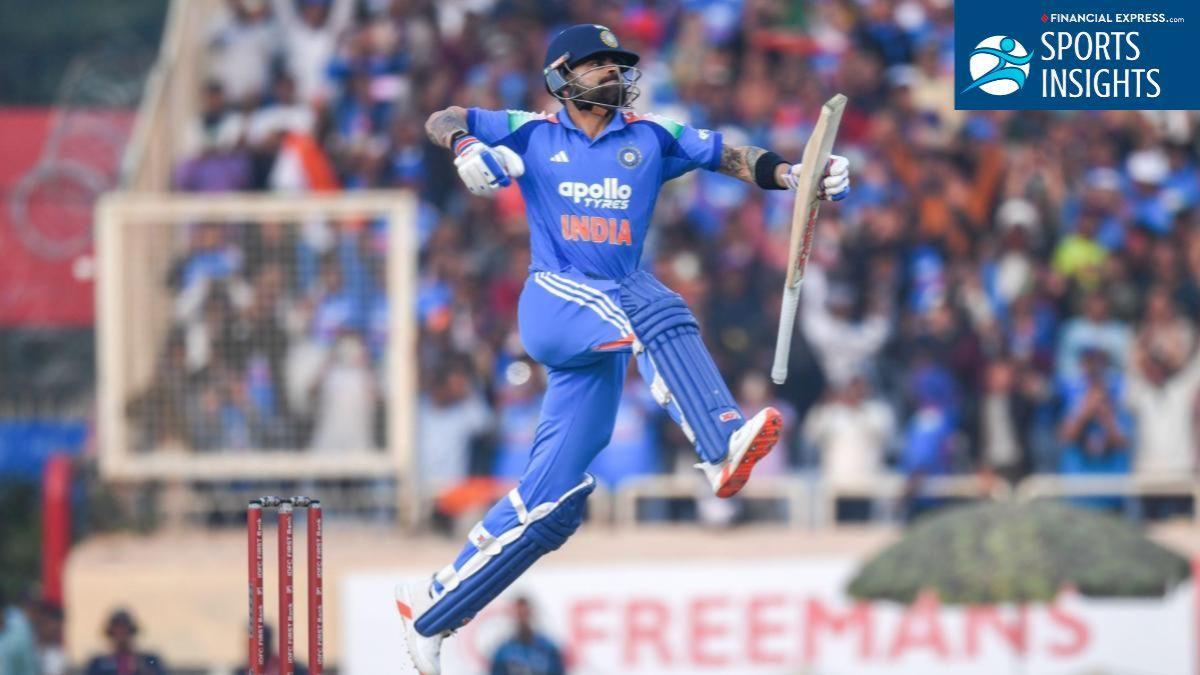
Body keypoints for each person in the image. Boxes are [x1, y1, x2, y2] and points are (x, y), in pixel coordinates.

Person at [394, 23, 851, 673]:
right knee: (650, 301)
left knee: (553, 505)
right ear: (561, 76)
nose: (612, 72)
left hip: (605, 331)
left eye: (617, 63)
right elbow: (444, 116)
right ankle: (719, 443)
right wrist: (466, 145)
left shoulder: (650, 136)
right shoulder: (531, 131)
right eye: (596, 63)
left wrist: (795, 175)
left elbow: (730, 157)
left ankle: (432, 608)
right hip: (556, 301)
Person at [489, 597, 564, 675]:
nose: (522, 619)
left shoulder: (548, 648)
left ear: (531, 614)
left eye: (525, 614)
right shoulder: (503, 651)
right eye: (519, 614)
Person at [83, 609, 166, 675]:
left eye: (124, 629)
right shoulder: (97, 664)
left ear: (131, 631)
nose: (121, 634)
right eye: (118, 630)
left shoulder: (149, 661)